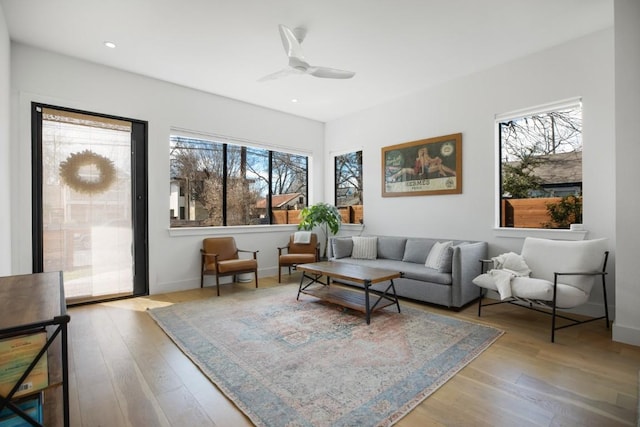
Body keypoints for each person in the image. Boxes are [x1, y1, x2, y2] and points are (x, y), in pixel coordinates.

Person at [388, 147, 455, 182]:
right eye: (422, 151)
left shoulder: (427, 157)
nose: (424, 152)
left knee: (440, 166)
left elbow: (430, 162)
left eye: (424, 151)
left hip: (426, 169)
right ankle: (393, 177)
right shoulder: (419, 158)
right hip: (417, 170)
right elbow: (419, 165)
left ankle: (453, 172)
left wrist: (436, 159)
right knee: (404, 169)